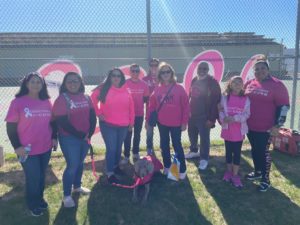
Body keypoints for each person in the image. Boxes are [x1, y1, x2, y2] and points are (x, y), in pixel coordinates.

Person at [5, 72, 57, 216]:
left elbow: (53, 122)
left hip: (45, 146)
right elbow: (11, 127)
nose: (35, 85)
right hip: (26, 149)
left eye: (38, 82)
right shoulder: (18, 102)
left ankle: (39, 198)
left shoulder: (47, 101)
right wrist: (17, 147)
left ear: (42, 85)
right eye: (32, 82)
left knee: (40, 175)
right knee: (33, 176)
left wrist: (54, 137)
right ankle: (32, 204)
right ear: (26, 84)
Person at [244, 56, 290, 192]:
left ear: (268, 70)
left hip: (267, 128)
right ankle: (257, 172)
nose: (259, 71)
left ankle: (266, 179)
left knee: (264, 152)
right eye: (256, 69)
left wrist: (277, 125)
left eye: (263, 68)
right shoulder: (250, 83)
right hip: (250, 126)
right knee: (254, 149)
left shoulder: (277, 85)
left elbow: (284, 107)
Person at [53, 72, 96, 207]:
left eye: (75, 81)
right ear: (65, 84)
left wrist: (90, 133)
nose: (73, 84)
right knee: (72, 165)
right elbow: (62, 121)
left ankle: (77, 186)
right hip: (69, 138)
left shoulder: (86, 97)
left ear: (80, 83)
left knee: (80, 163)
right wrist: (80, 135)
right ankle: (66, 196)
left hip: (84, 137)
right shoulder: (62, 99)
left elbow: (92, 116)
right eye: (69, 81)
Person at [146, 62, 189, 180]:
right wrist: (149, 118)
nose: (165, 74)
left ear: (172, 73)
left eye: (167, 72)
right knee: (164, 145)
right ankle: (167, 166)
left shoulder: (179, 88)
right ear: (159, 74)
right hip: (162, 122)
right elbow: (152, 105)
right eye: (163, 72)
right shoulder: (158, 89)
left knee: (177, 145)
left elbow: (186, 106)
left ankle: (182, 169)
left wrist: (184, 122)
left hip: (176, 123)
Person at [91, 68, 134, 184]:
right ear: (110, 77)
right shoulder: (103, 89)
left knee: (118, 148)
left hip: (123, 125)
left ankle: (115, 167)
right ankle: (110, 173)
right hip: (108, 125)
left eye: (118, 76)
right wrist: (99, 113)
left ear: (122, 78)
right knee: (111, 148)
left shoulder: (126, 90)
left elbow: (131, 108)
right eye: (113, 75)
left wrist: (131, 123)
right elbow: (92, 100)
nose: (116, 78)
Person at [186, 62, 221, 170]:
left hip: (204, 116)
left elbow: (216, 101)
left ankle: (204, 158)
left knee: (204, 138)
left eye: (205, 69)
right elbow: (190, 96)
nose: (202, 70)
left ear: (208, 70)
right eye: (200, 68)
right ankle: (194, 151)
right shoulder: (194, 80)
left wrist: (212, 119)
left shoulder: (212, 82)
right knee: (192, 134)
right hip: (192, 114)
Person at [219, 76, 250, 188]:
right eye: (235, 83)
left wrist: (235, 118)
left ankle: (235, 175)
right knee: (228, 151)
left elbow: (247, 114)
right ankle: (228, 171)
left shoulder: (246, 99)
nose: (237, 85)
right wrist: (224, 118)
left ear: (243, 85)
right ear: (230, 84)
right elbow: (221, 110)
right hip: (228, 130)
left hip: (239, 132)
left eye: (239, 83)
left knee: (236, 153)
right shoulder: (225, 97)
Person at [121, 64, 149, 164]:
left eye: (137, 71)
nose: (135, 73)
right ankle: (126, 155)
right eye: (133, 71)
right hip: (127, 115)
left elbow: (146, 100)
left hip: (139, 114)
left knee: (137, 134)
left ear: (139, 72)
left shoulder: (144, 84)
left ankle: (135, 153)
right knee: (127, 135)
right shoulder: (125, 83)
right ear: (130, 72)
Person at [143, 58, 160, 154]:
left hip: (162, 109)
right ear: (149, 67)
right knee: (149, 131)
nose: (154, 67)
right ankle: (149, 148)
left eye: (155, 65)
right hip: (150, 109)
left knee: (164, 130)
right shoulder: (145, 80)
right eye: (152, 65)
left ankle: (164, 147)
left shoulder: (163, 78)